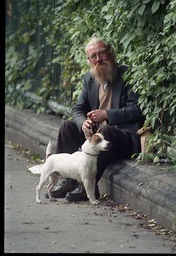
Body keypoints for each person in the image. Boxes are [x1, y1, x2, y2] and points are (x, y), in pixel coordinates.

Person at [45, 36, 144, 202]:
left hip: (121, 138)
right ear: (89, 60)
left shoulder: (127, 75)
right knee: (66, 127)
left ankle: (87, 188)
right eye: (93, 56)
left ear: (110, 52)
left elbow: (137, 109)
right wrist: (83, 121)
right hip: (95, 138)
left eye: (102, 53)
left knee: (106, 131)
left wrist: (107, 115)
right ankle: (70, 181)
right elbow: (77, 108)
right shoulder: (89, 78)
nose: (98, 59)